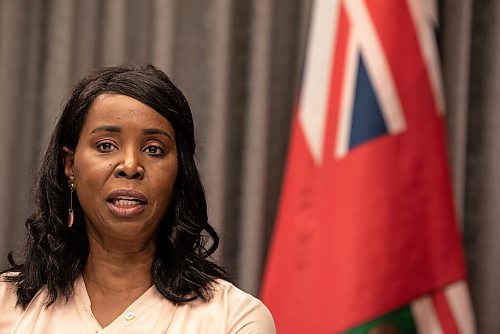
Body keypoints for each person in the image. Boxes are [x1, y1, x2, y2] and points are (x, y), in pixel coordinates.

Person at [0, 65, 276, 333]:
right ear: (70, 165)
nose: (130, 166)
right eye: (106, 145)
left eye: (153, 149)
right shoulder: (5, 305)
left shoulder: (233, 319)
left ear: (180, 173)